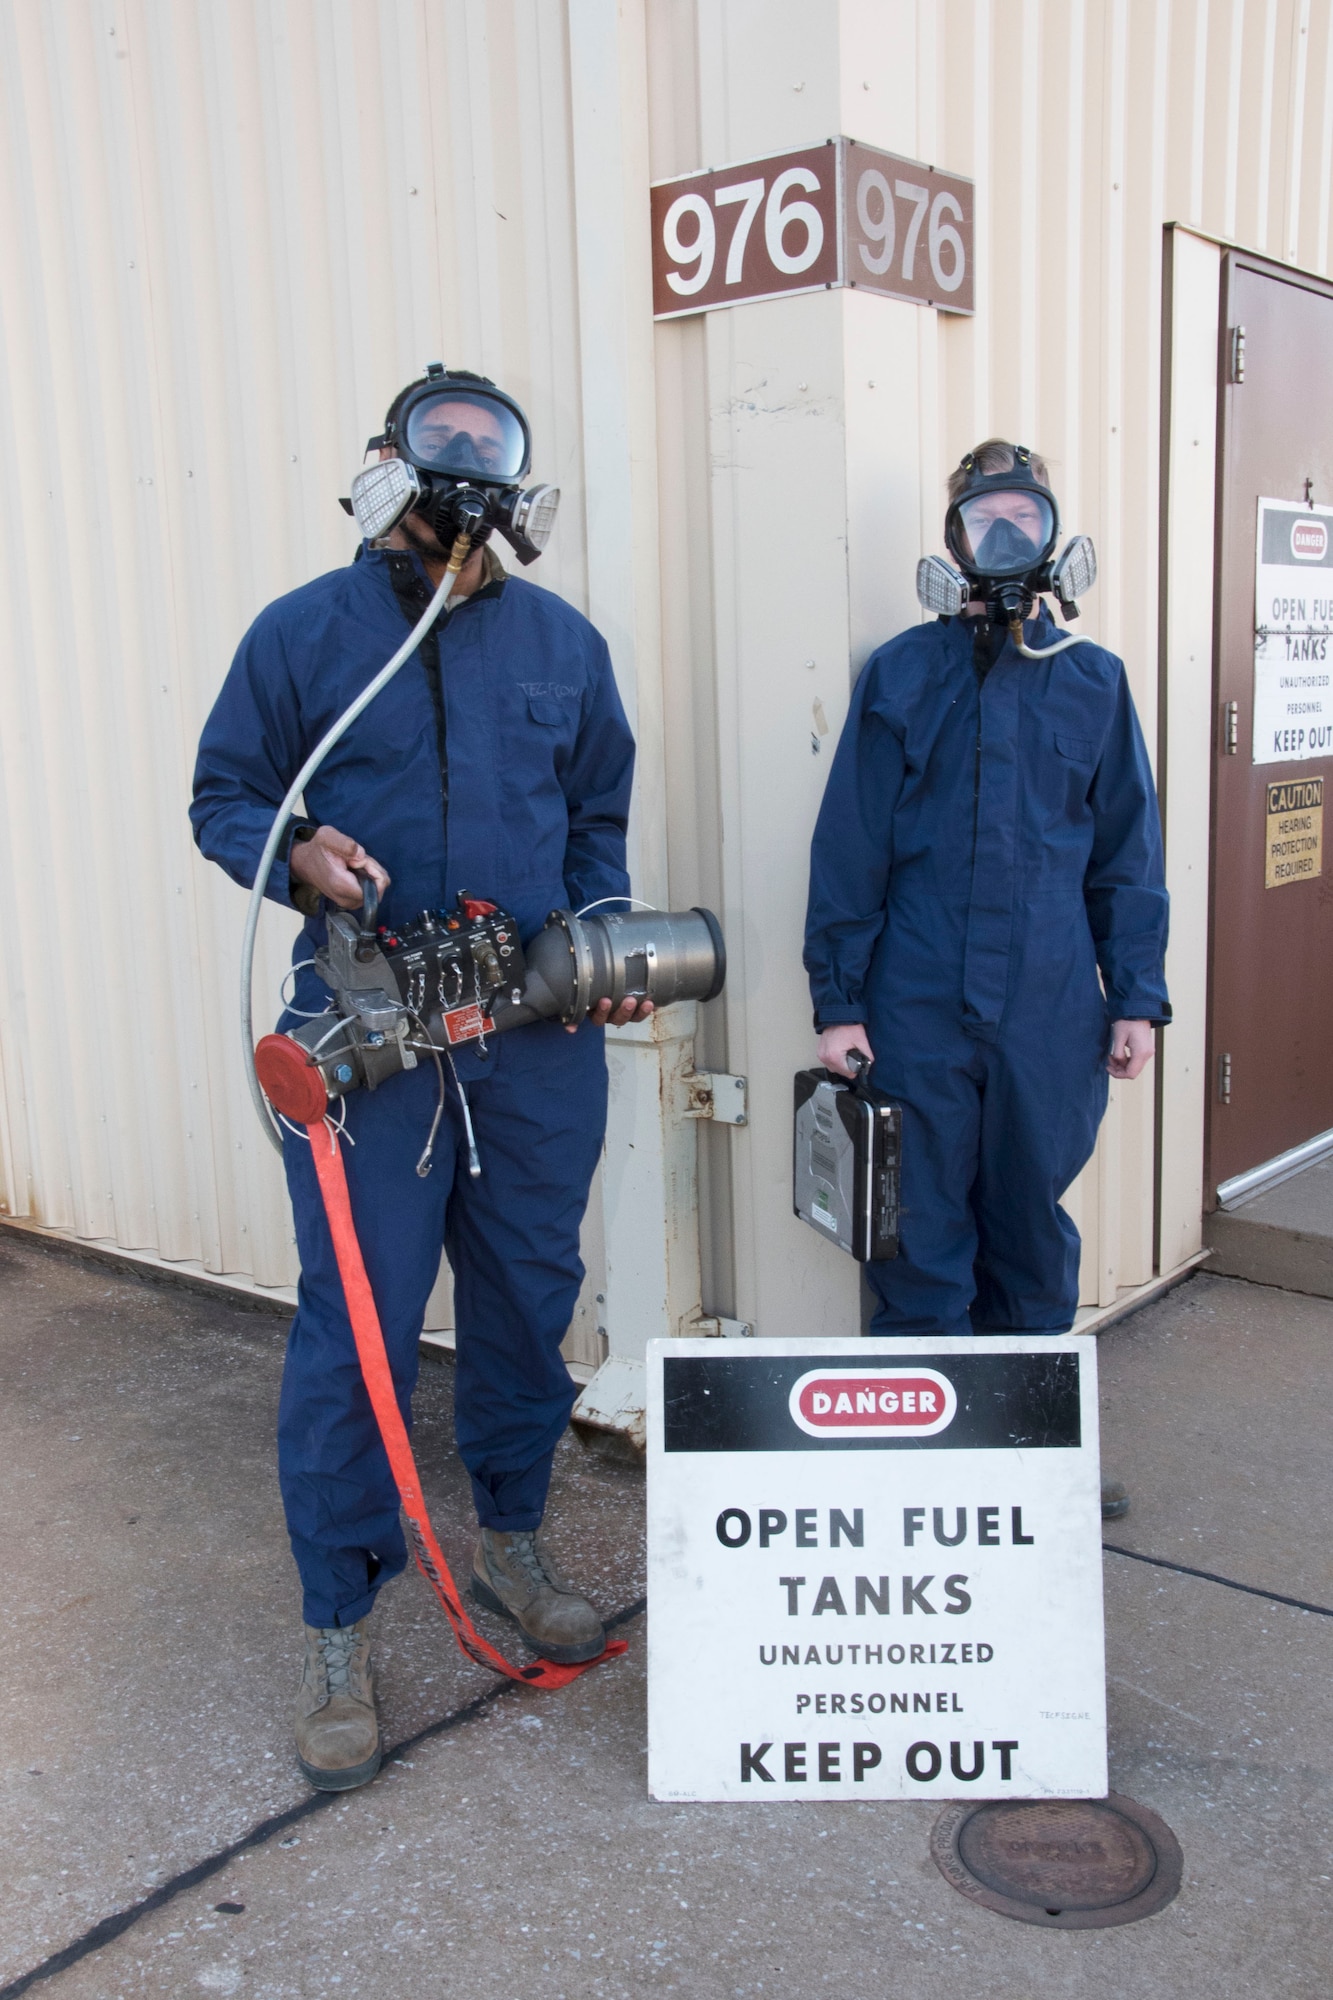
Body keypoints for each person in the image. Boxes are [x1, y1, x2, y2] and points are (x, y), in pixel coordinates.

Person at [192, 367, 647, 1790]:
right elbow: (223, 794)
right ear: (385, 466)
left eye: (488, 446)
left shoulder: (563, 645)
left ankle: (510, 1533)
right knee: (358, 1331)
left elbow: (597, 817)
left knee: (527, 1295)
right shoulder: (302, 636)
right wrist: (297, 854)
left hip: (526, 1041)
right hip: (368, 1040)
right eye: (438, 441)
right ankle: (340, 1619)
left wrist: (592, 941)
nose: (464, 467)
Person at [804, 441, 1169, 1518]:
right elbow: (851, 847)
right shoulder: (903, 674)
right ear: (953, 540)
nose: (1004, 539)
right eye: (984, 522)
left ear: (1055, 535)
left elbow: (1125, 854)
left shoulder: (1091, 681)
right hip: (914, 995)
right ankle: (926, 1476)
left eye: (1023, 518)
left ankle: (1030, 1456)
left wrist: (1136, 994)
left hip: (1051, 1005)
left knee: (1027, 1223)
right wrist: (840, 1001)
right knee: (919, 1229)